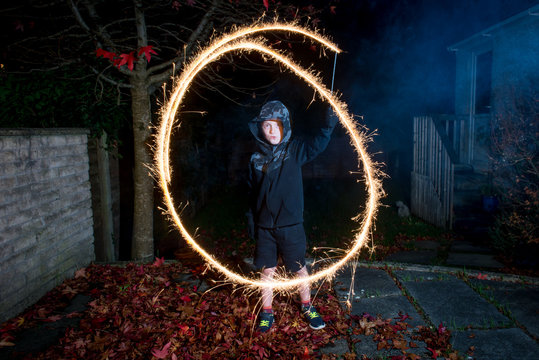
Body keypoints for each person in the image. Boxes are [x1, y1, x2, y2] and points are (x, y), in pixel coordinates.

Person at [246, 100, 338, 333]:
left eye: (277, 125)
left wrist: (327, 126)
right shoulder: (255, 160)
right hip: (265, 227)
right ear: (260, 129)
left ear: (285, 126)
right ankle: (267, 313)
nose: (272, 131)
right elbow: (251, 192)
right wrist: (251, 219)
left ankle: (307, 306)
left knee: (299, 268)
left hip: (291, 226)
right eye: (267, 126)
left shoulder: (295, 150)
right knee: (267, 271)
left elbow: (318, 145)